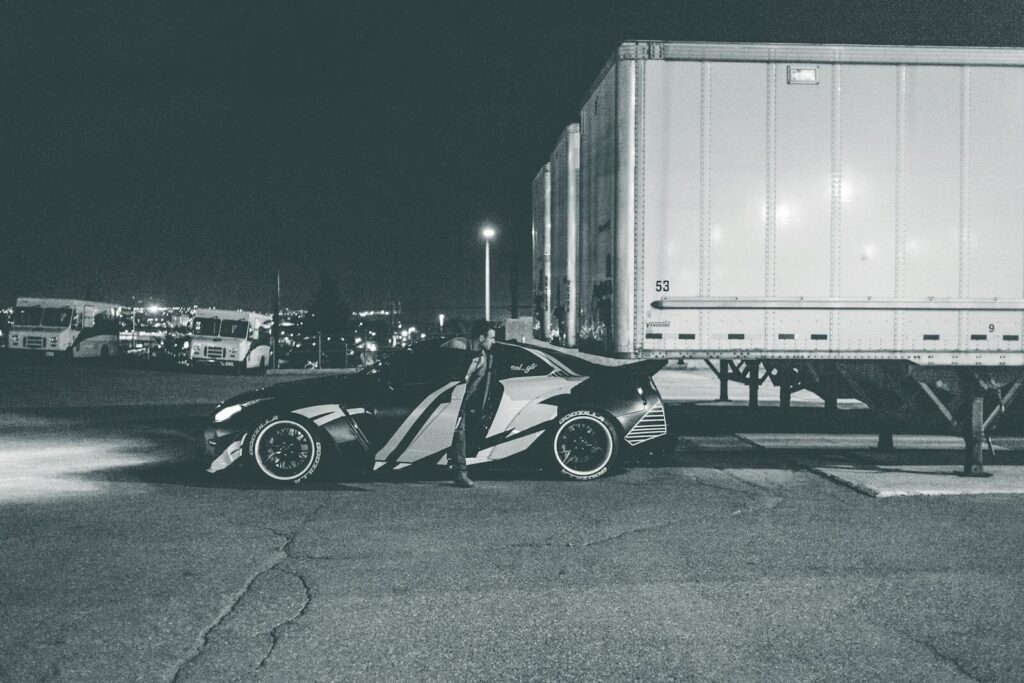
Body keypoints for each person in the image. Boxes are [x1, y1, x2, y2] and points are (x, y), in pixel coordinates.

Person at [448, 321, 496, 488]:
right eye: (491, 338)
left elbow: (472, 386)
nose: (493, 341)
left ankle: (460, 473)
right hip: (440, 395)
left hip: (457, 399)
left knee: (459, 435)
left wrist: (460, 404)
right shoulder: (456, 345)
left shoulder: (482, 359)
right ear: (482, 338)